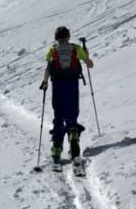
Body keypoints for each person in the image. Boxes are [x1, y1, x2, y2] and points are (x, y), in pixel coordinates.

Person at [39, 26, 94, 164]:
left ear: (56, 38)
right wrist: (86, 56)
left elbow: (48, 69)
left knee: (58, 116)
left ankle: (56, 149)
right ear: (68, 36)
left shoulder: (52, 50)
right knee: (71, 115)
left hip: (57, 87)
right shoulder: (76, 48)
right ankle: (74, 143)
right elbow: (90, 65)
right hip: (72, 86)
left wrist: (45, 82)